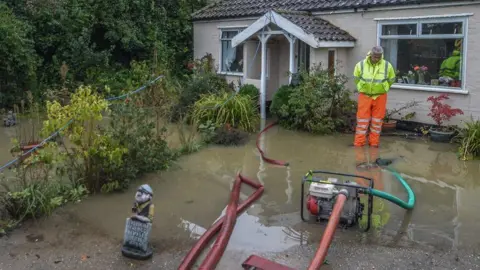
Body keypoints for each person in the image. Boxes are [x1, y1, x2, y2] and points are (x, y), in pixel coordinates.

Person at [353, 46, 396, 147]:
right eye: (375, 56)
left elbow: (391, 79)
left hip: (380, 96)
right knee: (362, 122)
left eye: (379, 57)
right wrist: (361, 87)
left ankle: (374, 144)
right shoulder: (361, 65)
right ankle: (359, 144)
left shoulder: (387, 65)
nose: (377, 59)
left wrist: (384, 88)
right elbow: (356, 78)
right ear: (370, 55)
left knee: (377, 122)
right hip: (364, 95)